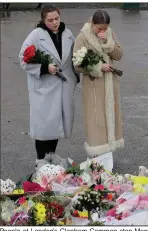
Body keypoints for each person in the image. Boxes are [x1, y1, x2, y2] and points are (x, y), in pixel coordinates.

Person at [19, 4, 79, 160]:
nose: (54, 22)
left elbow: (74, 59)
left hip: (63, 87)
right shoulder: (36, 35)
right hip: (44, 89)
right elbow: (23, 59)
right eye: (50, 20)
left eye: (57, 18)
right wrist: (45, 67)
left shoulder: (67, 34)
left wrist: (75, 78)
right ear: (43, 20)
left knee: (56, 126)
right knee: (43, 128)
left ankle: (51, 157)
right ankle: (40, 161)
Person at [73, 10, 124, 159]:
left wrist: (108, 44)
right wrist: (98, 67)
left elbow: (119, 54)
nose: (102, 31)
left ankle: (109, 156)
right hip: (93, 86)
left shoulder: (110, 33)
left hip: (110, 83)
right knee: (96, 120)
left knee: (110, 116)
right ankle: (96, 156)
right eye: (99, 28)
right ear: (92, 24)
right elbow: (76, 64)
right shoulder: (83, 36)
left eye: (105, 28)